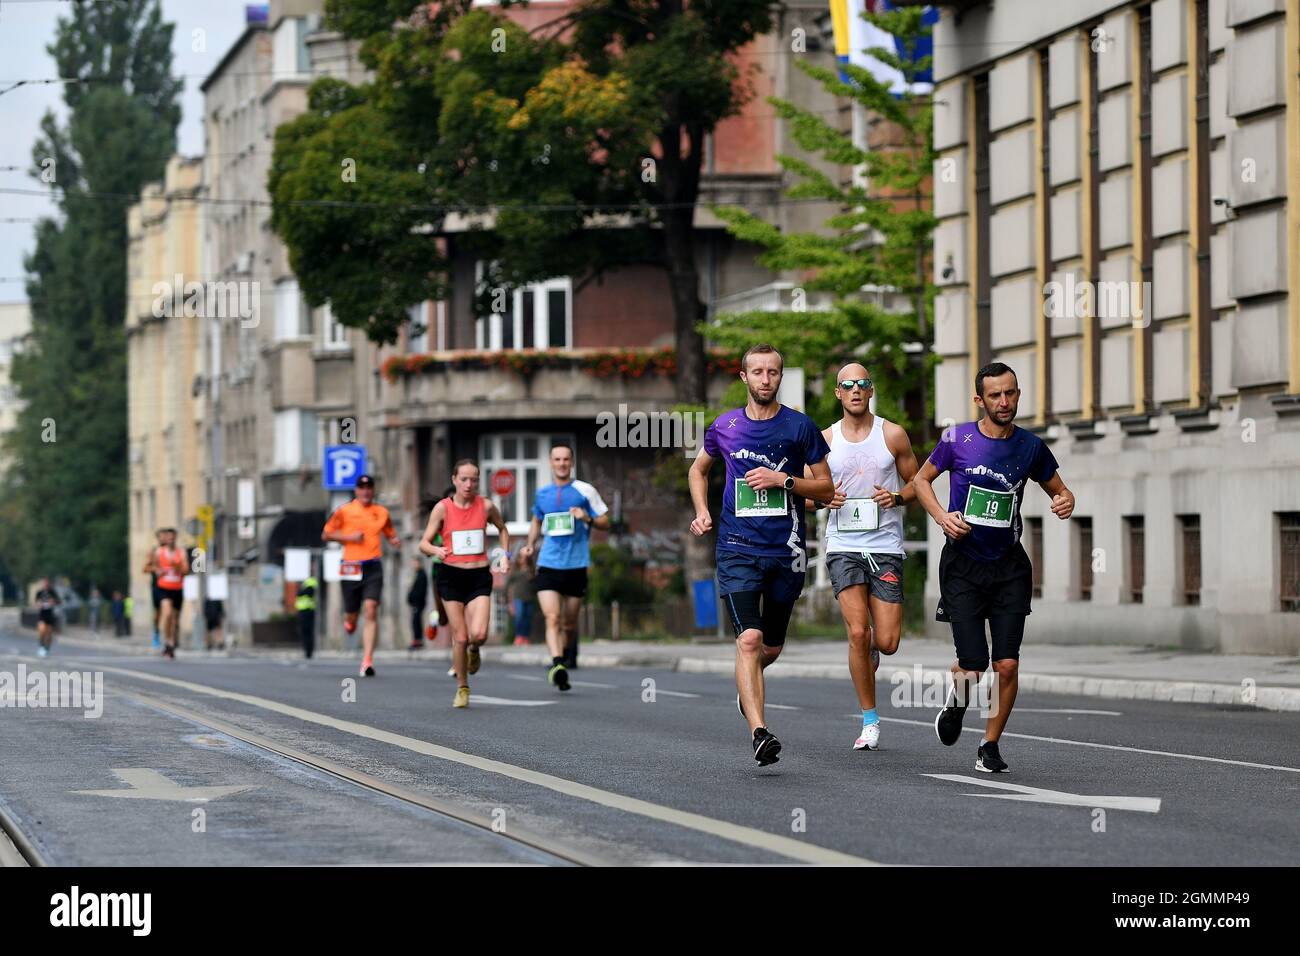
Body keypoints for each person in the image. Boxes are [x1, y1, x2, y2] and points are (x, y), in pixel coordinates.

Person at [913, 362, 1075, 773]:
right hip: (963, 566)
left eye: (1011, 393)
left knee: (1007, 663)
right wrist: (941, 516)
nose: (1005, 402)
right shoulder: (957, 439)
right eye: (996, 395)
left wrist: (1065, 500)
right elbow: (920, 481)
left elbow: (1059, 488)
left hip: (1009, 569)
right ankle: (958, 700)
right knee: (973, 664)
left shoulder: (1030, 447)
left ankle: (990, 744)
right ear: (979, 399)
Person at [688, 344, 833, 766]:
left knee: (769, 648)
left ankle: (746, 687)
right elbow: (699, 469)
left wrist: (783, 480)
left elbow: (825, 490)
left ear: (780, 377)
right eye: (757, 372)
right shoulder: (725, 427)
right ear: (744, 378)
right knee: (748, 640)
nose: (765, 379)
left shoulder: (801, 428)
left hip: (786, 552)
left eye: (772, 372)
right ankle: (759, 732)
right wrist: (702, 511)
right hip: (737, 548)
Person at [806, 363, 920, 751]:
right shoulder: (823, 440)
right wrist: (822, 497)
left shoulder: (893, 435)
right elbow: (805, 494)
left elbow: (919, 485)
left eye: (862, 384)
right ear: (837, 393)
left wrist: (897, 497)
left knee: (886, 642)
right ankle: (869, 720)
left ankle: (872, 647)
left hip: (885, 546)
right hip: (843, 546)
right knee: (857, 631)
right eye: (847, 385)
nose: (855, 390)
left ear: (871, 390)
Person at [420, 460, 510, 708]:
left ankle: (475, 649)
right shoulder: (442, 509)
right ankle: (462, 687)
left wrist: (504, 554)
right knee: (459, 637)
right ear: (454, 480)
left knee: (478, 634)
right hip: (451, 576)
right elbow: (423, 543)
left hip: (479, 575)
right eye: (464, 479)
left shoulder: (487, 506)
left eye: (473, 480)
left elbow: (503, 529)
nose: (469, 484)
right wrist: (436, 549)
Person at [519, 445, 610, 692]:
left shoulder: (584, 490)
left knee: (569, 624)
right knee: (553, 617)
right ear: (550, 462)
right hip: (548, 563)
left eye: (566, 459)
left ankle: (566, 653)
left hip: (576, 564)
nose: (561, 463)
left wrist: (586, 517)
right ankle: (557, 664)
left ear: (572, 462)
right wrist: (529, 545)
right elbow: (537, 521)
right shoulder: (542, 494)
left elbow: (605, 520)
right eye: (557, 459)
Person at [322, 474, 401, 677]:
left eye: (369, 487)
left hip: (373, 566)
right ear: (356, 490)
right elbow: (326, 534)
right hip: (350, 566)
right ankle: (350, 621)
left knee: (371, 608)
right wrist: (349, 537)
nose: (365, 491)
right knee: (351, 613)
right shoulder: (344, 511)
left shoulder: (381, 512)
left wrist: (394, 540)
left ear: (373, 490)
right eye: (361, 487)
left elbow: (390, 531)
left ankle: (367, 661)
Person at [143, 528, 189, 659]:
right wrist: (156, 570)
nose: (167, 539)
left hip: (177, 588)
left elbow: (186, 570)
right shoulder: (157, 552)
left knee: (175, 618)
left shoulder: (181, 553)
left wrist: (177, 566)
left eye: (170, 537)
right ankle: (161, 636)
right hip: (161, 587)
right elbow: (146, 567)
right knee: (164, 613)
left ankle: (172, 643)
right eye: (164, 537)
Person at [507, 548, 538, 646]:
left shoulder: (531, 570)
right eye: (521, 557)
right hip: (518, 597)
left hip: (530, 597)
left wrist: (531, 576)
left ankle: (525, 637)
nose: (523, 559)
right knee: (519, 617)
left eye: (525, 558)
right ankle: (519, 636)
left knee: (527, 618)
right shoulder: (515, 570)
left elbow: (536, 585)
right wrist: (508, 600)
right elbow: (508, 584)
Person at [34, 577, 60, 658]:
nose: (45, 585)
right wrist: (39, 604)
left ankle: (46, 648)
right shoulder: (39, 593)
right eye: (44, 583)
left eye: (46, 583)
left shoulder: (52, 592)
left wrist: (53, 602)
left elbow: (58, 601)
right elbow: (36, 603)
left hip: (50, 614)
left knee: (49, 634)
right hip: (42, 614)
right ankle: (41, 646)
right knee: (41, 630)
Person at [407, 556, 429, 650]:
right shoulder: (417, 574)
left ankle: (418, 641)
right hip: (415, 603)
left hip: (418, 603)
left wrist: (415, 600)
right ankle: (416, 640)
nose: (413, 565)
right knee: (415, 621)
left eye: (415, 563)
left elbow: (420, 591)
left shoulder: (422, 575)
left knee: (416, 622)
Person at [295, 574, 316, 658]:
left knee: (307, 632)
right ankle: (306, 651)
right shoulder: (304, 582)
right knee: (304, 632)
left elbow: (308, 592)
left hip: (307, 611)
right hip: (302, 611)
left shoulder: (311, 581)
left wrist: (300, 592)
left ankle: (308, 652)